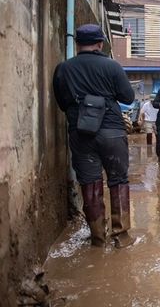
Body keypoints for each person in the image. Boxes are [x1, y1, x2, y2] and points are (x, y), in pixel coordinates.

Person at [52, 24, 136, 248]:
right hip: (112, 133)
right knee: (118, 181)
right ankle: (121, 236)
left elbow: (62, 103)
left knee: (90, 183)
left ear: (77, 44)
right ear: (100, 44)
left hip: (81, 134)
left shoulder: (63, 69)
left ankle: (98, 238)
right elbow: (128, 97)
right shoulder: (112, 66)